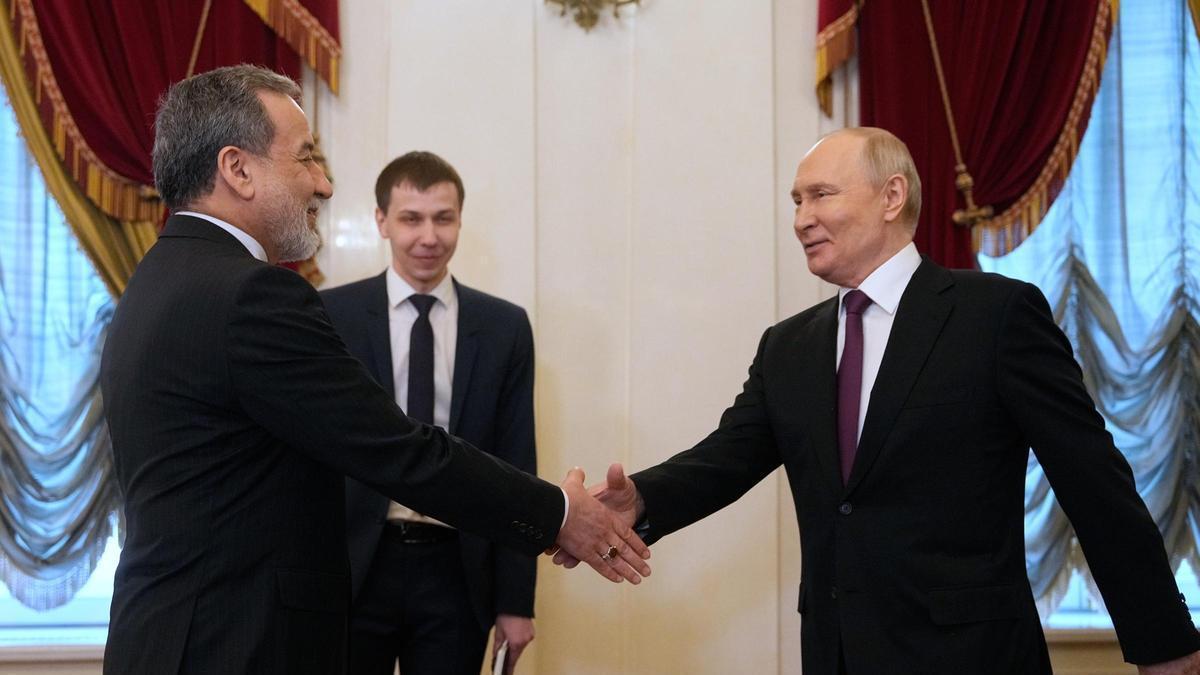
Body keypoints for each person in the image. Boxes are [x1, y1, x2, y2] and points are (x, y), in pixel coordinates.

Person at [564, 127, 1200, 674]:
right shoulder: (789, 347)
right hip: (838, 653)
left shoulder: (995, 315)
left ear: (892, 196)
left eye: (821, 195)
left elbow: (1092, 480)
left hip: (972, 654)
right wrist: (640, 499)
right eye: (796, 201)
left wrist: (1163, 640)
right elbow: (725, 459)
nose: (801, 218)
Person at [100, 65, 649, 675]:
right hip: (230, 643)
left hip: (170, 636)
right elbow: (397, 450)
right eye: (306, 157)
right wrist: (560, 514)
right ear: (238, 169)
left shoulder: (159, 277)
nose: (324, 183)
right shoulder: (252, 296)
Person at [321, 152, 538, 674]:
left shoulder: (504, 326)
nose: (428, 237)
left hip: (457, 570)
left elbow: (516, 463)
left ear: (460, 220)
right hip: (353, 566)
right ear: (382, 221)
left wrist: (516, 600)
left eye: (443, 218)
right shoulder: (331, 315)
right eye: (411, 219)